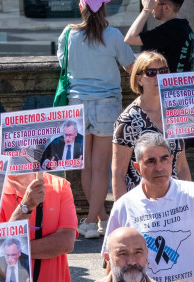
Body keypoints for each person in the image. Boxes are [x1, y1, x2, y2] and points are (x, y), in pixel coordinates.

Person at [107, 132, 194, 282]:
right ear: (137, 168)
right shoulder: (124, 206)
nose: (159, 167)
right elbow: (112, 262)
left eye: (164, 159)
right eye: (151, 161)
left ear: (171, 160)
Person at [58, 1, 134, 239]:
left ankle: (98, 217)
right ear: (105, 8)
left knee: (86, 166)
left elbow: (64, 65)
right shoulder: (112, 35)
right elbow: (132, 67)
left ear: (81, 8)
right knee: (101, 167)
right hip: (106, 104)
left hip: (77, 104)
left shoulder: (68, 34)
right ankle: (93, 221)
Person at [111, 51, 190, 202]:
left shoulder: (174, 112)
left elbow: (182, 166)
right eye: (151, 72)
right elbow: (118, 173)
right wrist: (122, 215)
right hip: (142, 205)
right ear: (139, 79)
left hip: (174, 202)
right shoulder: (128, 120)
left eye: (163, 72)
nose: (158, 77)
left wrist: (189, 201)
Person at [123, 0, 194, 75]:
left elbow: (130, 38)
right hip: (185, 85)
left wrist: (146, 9)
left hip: (170, 86)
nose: (152, 7)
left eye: (155, 3)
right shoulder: (185, 27)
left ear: (166, 8)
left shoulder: (169, 29)